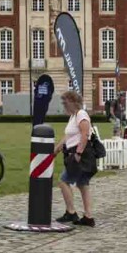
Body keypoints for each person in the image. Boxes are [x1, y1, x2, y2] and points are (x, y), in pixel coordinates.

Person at [54, 90, 95, 226]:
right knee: (82, 184)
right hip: (76, 153)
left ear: (72, 102)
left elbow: (85, 134)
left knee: (63, 181)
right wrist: (57, 149)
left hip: (79, 154)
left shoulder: (81, 114)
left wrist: (78, 153)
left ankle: (71, 212)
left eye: (65, 102)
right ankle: (88, 216)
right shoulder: (73, 116)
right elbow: (68, 137)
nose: (63, 105)